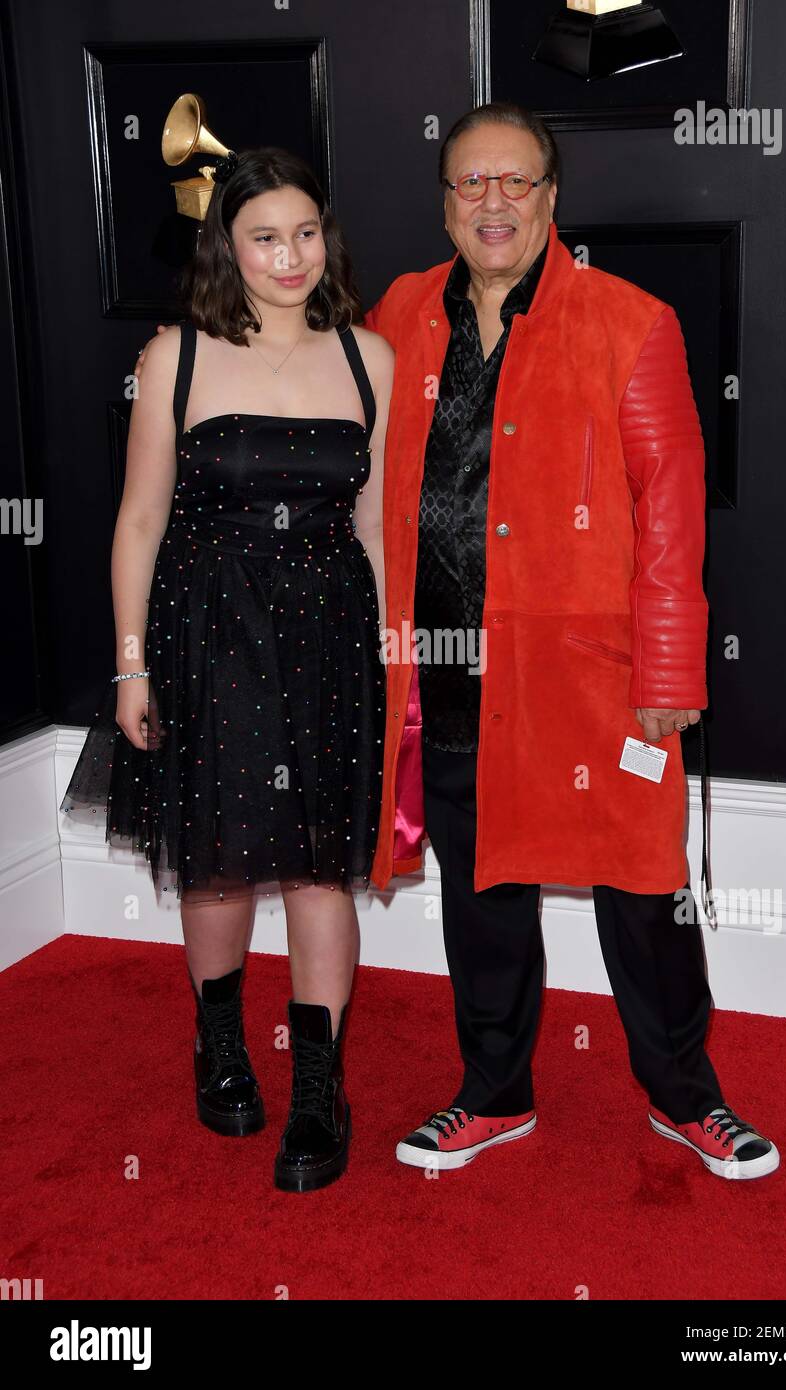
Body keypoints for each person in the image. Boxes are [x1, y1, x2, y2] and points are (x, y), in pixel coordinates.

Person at [363, 102, 779, 1180]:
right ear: (444, 202)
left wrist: (670, 670)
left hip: (590, 680)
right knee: (477, 890)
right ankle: (492, 1092)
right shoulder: (399, 316)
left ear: (550, 199)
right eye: (469, 183)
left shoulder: (630, 323)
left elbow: (670, 513)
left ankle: (686, 1095)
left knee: (642, 894)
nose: (491, 202)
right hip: (446, 674)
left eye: (514, 182)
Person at [60, 147, 394, 1193]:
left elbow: (377, 528)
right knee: (216, 854)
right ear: (227, 247)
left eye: (304, 234)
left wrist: (395, 671)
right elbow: (140, 520)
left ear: (324, 240)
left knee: (317, 863)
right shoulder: (178, 356)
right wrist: (128, 670)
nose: (287, 256)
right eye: (263, 237)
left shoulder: (368, 358)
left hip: (333, 635)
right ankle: (218, 1043)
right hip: (209, 632)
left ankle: (321, 1090)